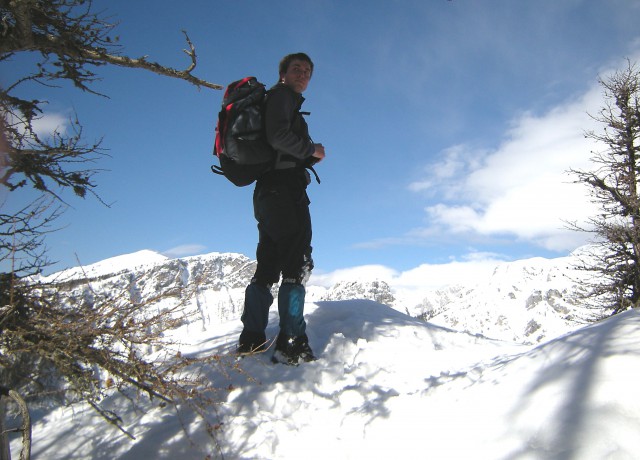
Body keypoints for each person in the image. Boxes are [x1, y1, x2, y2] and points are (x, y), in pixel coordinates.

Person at [237, 52, 326, 365]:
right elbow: (278, 137)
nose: (302, 74)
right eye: (296, 69)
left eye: (307, 71)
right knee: (295, 263)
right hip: (285, 192)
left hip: (268, 193)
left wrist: (306, 156)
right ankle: (291, 342)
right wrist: (311, 149)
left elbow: (278, 144)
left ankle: (251, 338)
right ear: (283, 73)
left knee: (268, 264)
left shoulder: (280, 101)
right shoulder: (282, 97)